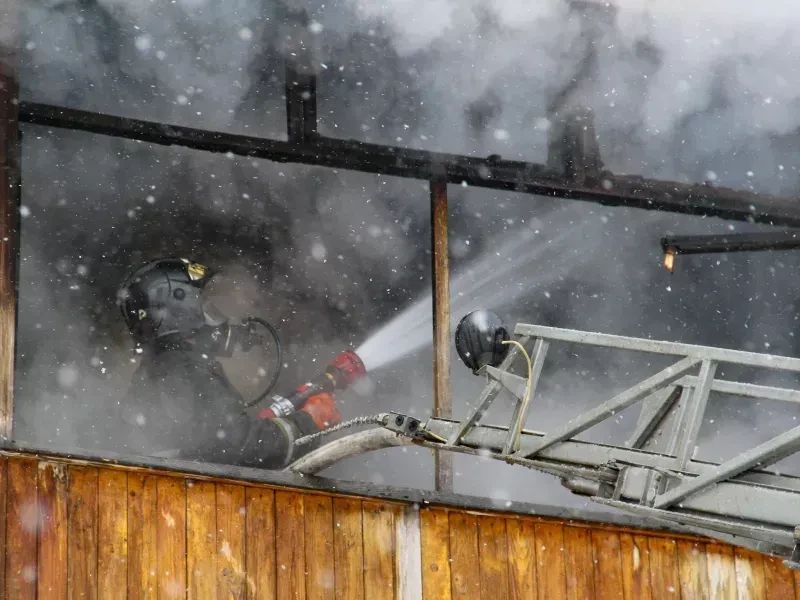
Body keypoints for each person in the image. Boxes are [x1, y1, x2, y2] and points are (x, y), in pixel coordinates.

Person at [116, 257, 340, 469]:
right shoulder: (183, 369)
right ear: (181, 308)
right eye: (204, 305)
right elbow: (232, 445)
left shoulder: (159, 369)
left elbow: (208, 442)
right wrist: (308, 422)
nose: (216, 317)